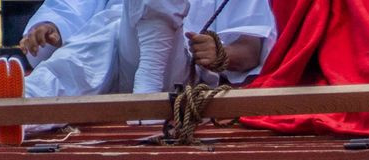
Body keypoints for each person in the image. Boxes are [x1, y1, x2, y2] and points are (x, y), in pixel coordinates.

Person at [20, 0, 269, 94]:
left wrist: (220, 53)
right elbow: (69, 8)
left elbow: (250, 49)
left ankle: (31, 95)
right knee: (103, 36)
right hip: (108, 60)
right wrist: (51, 27)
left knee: (99, 41)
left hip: (177, 69)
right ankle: (22, 106)